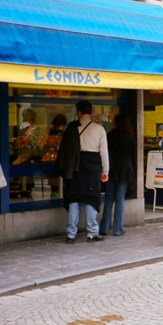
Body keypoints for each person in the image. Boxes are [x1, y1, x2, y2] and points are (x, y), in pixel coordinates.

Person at [58, 100, 109, 244]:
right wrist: (105, 170)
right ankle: (92, 233)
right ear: (91, 112)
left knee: (74, 199)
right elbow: (104, 152)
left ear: (78, 112)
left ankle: (71, 234)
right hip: (93, 167)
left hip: (75, 167)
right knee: (91, 199)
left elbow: (66, 150)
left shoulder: (72, 127)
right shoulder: (99, 129)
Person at [99, 113, 136, 237]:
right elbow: (133, 156)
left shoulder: (110, 135)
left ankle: (104, 227)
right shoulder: (130, 136)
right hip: (125, 170)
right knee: (120, 198)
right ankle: (118, 229)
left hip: (112, 168)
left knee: (109, 198)